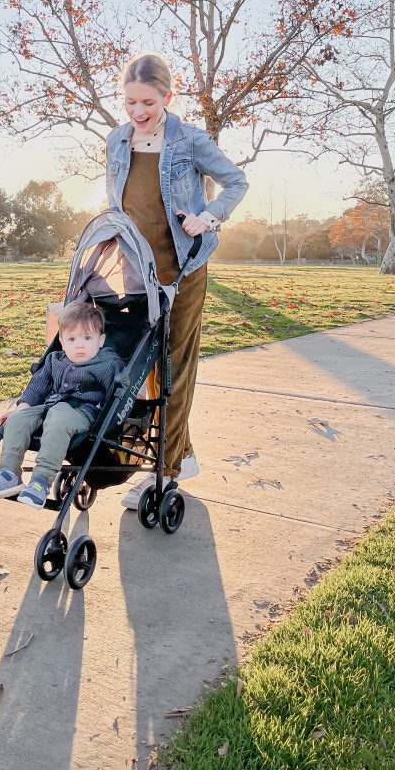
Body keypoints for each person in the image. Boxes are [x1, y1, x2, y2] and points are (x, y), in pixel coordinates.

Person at [106, 53, 249, 508]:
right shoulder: (116, 141)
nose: (138, 112)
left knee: (174, 365)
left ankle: (165, 471)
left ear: (168, 97)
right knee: (142, 365)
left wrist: (207, 217)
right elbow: (120, 205)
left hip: (183, 269)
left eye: (147, 102)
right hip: (137, 269)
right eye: (130, 102)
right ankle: (177, 453)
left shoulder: (189, 139)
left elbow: (236, 182)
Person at [0, 301, 123, 510]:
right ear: (62, 342)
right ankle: (8, 474)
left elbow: (117, 388)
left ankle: (41, 481)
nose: (80, 345)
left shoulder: (108, 363)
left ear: (101, 341)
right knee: (18, 419)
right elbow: (38, 385)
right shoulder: (55, 359)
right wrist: (22, 407)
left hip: (83, 412)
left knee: (58, 417)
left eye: (87, 338)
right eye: (72, 339)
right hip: (50, 407)